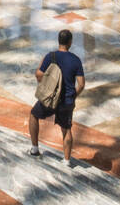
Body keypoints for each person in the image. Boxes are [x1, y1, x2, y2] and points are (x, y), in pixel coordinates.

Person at [28, 29, 85, 165]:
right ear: (70, 42)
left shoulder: (50, 56)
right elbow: (81, 84)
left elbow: (39, 75)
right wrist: (73, 96)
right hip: (66, 100)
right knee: (66, 129)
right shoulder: (76, 60)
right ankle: (66, 161)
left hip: (50, 98)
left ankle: (35, 149)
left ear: (58, 41)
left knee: (33, 115)